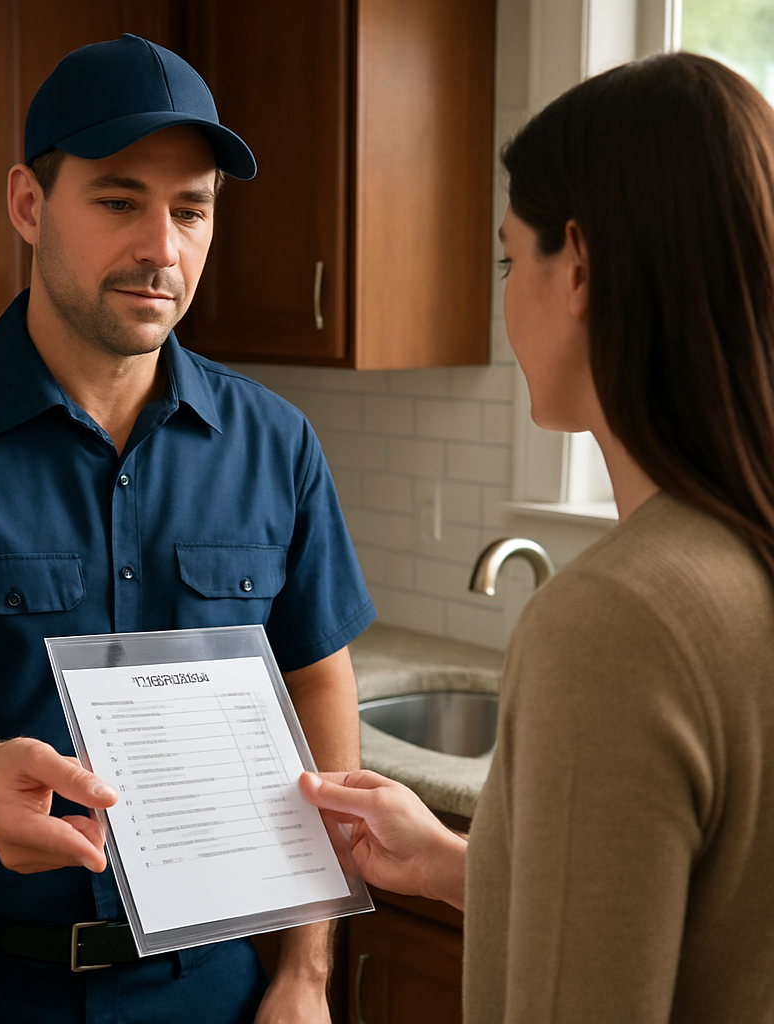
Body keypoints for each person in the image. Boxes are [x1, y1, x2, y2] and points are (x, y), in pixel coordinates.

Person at [0, 34, 375, 1024]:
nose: (161, 248)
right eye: (119, 201)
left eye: (191, 210)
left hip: (209, 988)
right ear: (28, 204)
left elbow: (318, 688)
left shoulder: (279, 444)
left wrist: (306, 970)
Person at [302, 51, 774, 1023]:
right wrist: (456, 865)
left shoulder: (615, 622)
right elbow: (705, 926)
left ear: (580, 269)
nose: (506, 295)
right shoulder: (742, 559)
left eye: (510, 259)